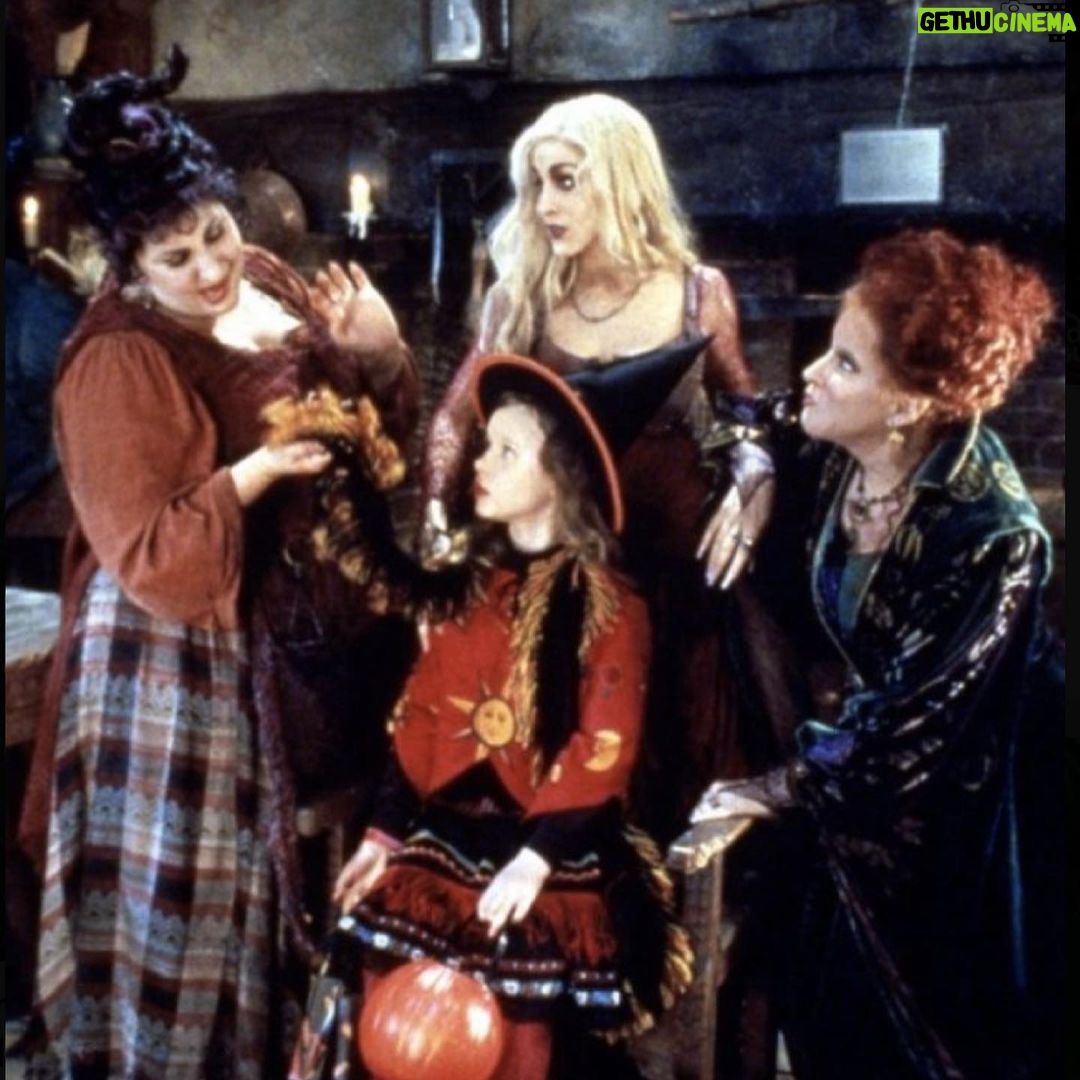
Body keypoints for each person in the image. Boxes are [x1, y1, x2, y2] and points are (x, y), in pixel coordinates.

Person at [18, 47, 420, 1079]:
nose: (209, 268)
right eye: (175, 258)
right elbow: (150, 552)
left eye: (214, 232)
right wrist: (251, 475)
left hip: (307, 620)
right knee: (185, 920)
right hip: (174, 649)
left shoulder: (269, 278)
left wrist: (375, 352)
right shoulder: (117, 355)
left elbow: (375, 445)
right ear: (128, 268)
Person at [691, 228, 1062, 1079]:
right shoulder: (839, 445)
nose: (814, 373)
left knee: (931, 1030)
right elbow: (754, 417)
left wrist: (772, 786)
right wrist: (754, 471)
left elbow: (911, 737)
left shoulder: (993, 536)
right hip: (864, 771)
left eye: (846, 364)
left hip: (977, 800)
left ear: (905, 407)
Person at [332, 343, 706, 1080]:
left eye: (507, 451)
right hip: (451, 827)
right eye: (485, 445)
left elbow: (605, 742)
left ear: (560, 475)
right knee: (387, 929)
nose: (481, 462)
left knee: (517, 960)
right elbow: (423, 713)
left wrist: (535, 861)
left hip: (554, 839)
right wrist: (383, 832)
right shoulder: (465, 586)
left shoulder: (609, 604)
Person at [420, 92, 781, 843]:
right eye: (536, 184)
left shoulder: (698, 292)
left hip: (677, 569)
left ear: (622, 178)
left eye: (565, 180)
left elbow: (745, 410)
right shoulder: (519, 297)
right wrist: (435, 515)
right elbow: (456, 419)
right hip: (570, 576)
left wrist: (754, 474)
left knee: (679, 791)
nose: (544, 205)